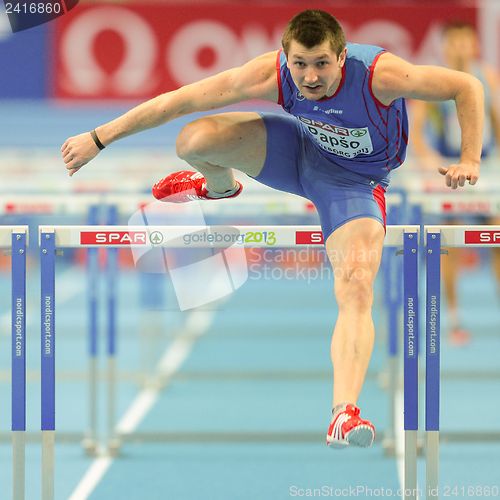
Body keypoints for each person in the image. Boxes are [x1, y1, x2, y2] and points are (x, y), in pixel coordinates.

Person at [61, 10, 484, 448]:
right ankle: (218, 188)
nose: (311, 76)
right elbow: (178, 100)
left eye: (321, 63)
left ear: (341, 56)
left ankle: (344, 412)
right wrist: (98, 139)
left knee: (356, 283)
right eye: (300, 64)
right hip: (294, 151)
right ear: (286, 57)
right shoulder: (270, 74)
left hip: (354, 183)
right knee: (193, 139)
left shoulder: (382, 75)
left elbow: (464, 85)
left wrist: (470, 158)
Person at [411, 20, 499, 346]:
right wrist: (429, 161)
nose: (461, 48)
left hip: (484, 167)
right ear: (446, 47)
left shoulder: (487, 77)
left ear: (474, 45)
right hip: (449, 170)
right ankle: (452, 316)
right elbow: (417, 133)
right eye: (455, 43)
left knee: (497, 234)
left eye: (467, 42)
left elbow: (496, 122)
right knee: (448, 242)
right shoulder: (434, 81)